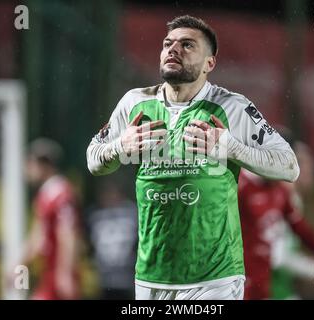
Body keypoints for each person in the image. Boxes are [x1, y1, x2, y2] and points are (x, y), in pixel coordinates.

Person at [86, 15, 300, 300]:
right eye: (168, 44)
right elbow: (93, 160)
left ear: (209, 64)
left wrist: (232, 149)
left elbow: (289, 166)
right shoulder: (134, 103)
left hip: (215, 277)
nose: (173, 50)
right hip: (151, 275)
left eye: (187, 45)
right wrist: (120, 147)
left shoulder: (232, 107)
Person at [238, 138, 314, 300]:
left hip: (268, 285)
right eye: (305, 165)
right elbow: (279, 256)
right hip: (252, 282)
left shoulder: (282, 194)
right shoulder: (243, 187)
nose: (310, 172)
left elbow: (302, 232)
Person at [12, 138, 82, 300]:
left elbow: (68, 234)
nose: (27, 169)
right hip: (49, 274)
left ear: (43, 165)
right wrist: (20, 264)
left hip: (60, 273)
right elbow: (38, 237)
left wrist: (65, 273)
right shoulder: (46, 194)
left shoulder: (62, 193)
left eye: (30, 163)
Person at [86, 179, 138, 300]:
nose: (109, 197)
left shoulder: (131, 212)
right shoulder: (94, 215)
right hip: (103, 280)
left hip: (128, 279)